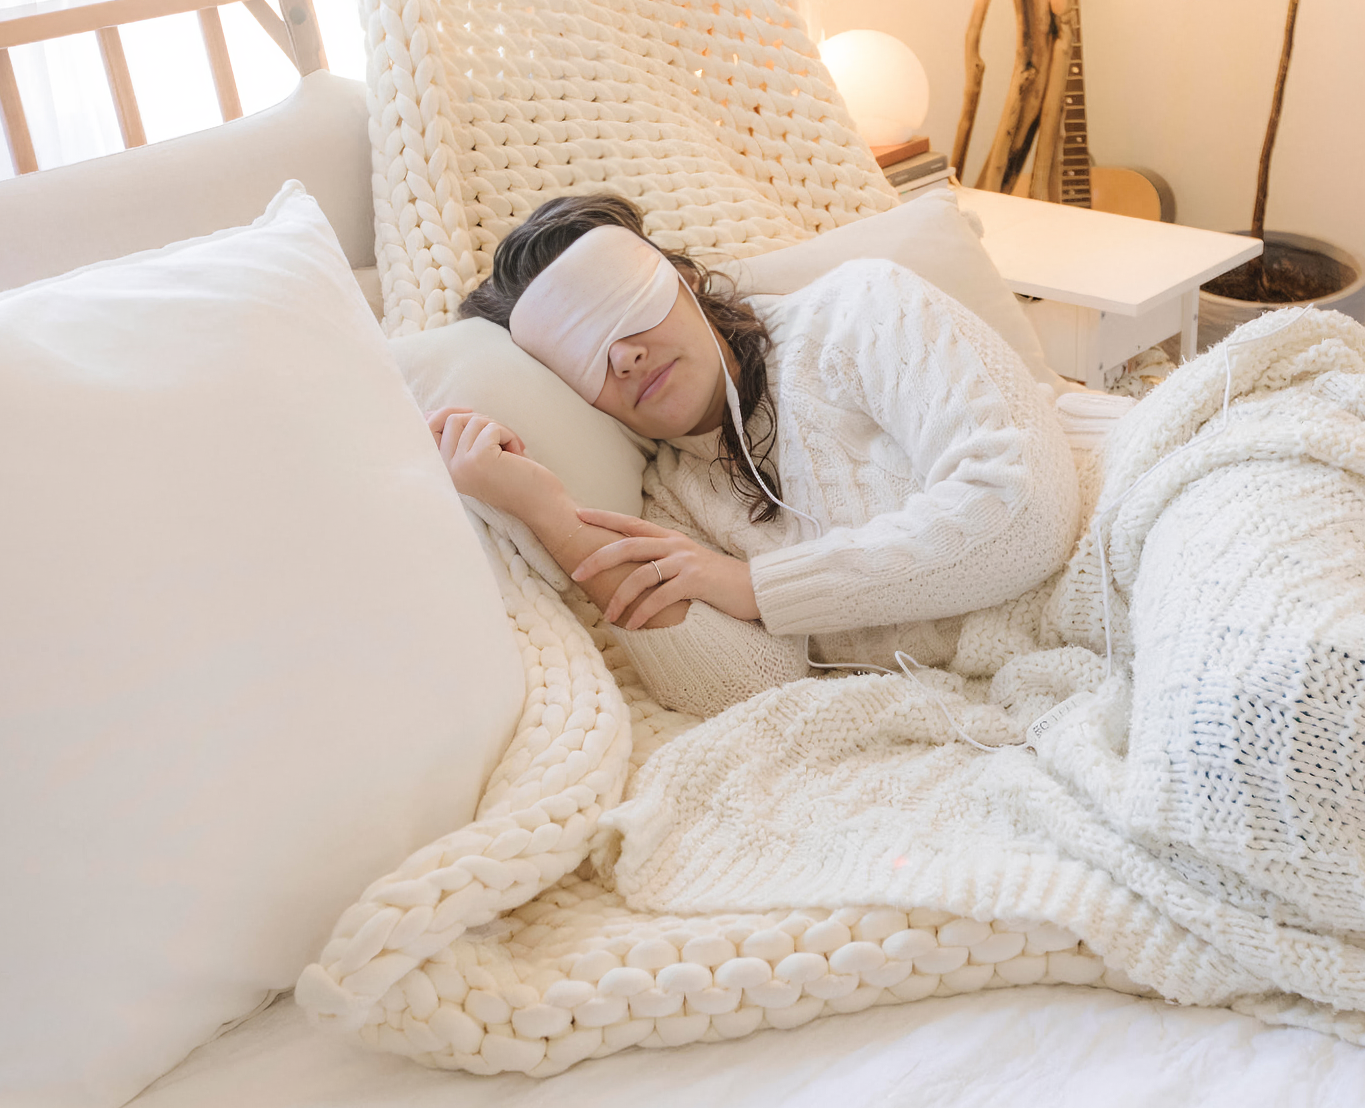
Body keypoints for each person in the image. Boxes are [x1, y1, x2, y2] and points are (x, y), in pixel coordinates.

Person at [428, 193, 1081, 717]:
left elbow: (1025, 513)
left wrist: (751, 587)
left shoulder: (858, 311)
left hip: (1133, 525)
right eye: (581, 352)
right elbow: (745, 692)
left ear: (682, 280)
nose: (623, 355)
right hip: (1048, 674)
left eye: (623, 307)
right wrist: (554, 519)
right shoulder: (670, 505)